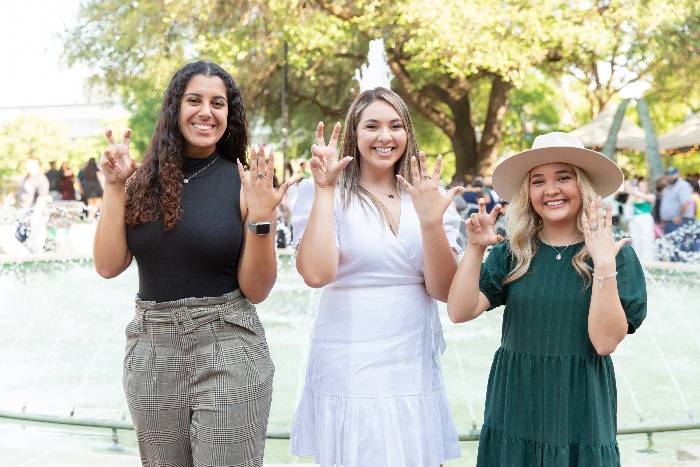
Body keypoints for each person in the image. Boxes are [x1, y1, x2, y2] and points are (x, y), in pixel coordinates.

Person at [93, 61, 294, 467]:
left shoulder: (244, 184)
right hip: (152, 351)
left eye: (218, 103)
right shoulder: (137, 183)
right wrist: (115, 188)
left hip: (228, 346)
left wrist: (261, 218)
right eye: (195, 100)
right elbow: (108, 266)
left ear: (229, 115)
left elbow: (257, 290)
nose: (206, 111)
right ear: (174, 108)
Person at [447, 132, 647, 467]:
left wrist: (602, 263)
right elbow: (459, 311)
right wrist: (476, 248)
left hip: (579, 412)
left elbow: (604, 342)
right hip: (515, 406)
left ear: (583, 186)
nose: (550, 189)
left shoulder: (615, 255)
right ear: (529, 193)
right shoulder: (513, 251)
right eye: (538, 181)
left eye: (563, 177)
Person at [290, 87, 462, 467]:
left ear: (408, 133)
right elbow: (316, 274)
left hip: (412, 362)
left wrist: (430, 220)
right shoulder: (324, 192)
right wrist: (324, 189)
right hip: (348, 361)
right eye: (372, 126)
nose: (385, 137)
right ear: (354, 132)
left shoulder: (430, 196)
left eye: (395, 126)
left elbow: (445, 290)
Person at [16, 157, 50, 252]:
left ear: (37, 166)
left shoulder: (41, 179)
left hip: (34, 214)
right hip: (23, 212)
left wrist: (36, 214)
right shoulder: (27, 178)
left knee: (35, 240)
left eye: (30, 164)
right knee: (20, 237)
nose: (27, 166)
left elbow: (42, 197)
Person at [625, 178, 656, 261]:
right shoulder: (634, 196)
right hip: (635, 220)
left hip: (646, 219)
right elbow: (628, 205)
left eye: (644, 186)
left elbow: (651, 199)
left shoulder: (650, 196)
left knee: (646, 238)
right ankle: (637, 258)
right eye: (640, 186)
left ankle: (648, 258)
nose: (642, 188)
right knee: (636, 238)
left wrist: (634, 191)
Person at [660, 166, 694, 234]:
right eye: (668, 175)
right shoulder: (668, 187)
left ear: (678, 174)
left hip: (679, 222)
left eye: (672, 174)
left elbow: (686, 204)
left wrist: (679, 216)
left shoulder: (683, 185)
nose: (670, 177)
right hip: (668, 222)